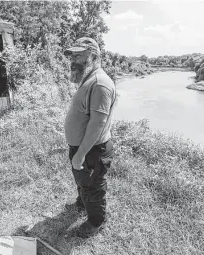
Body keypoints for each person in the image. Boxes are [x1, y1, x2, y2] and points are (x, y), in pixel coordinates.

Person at [64, 37, 116, 238]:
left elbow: (98, 124)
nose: (73, 59)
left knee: (93, 186)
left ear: (93, 56)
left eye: (78, 55)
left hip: (92, 150)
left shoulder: (100, 83)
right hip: (82, 148)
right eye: (72, 55)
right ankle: (82, 202)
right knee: (83, 181)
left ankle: (96, 221)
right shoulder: (88, 78)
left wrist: (81, 154)